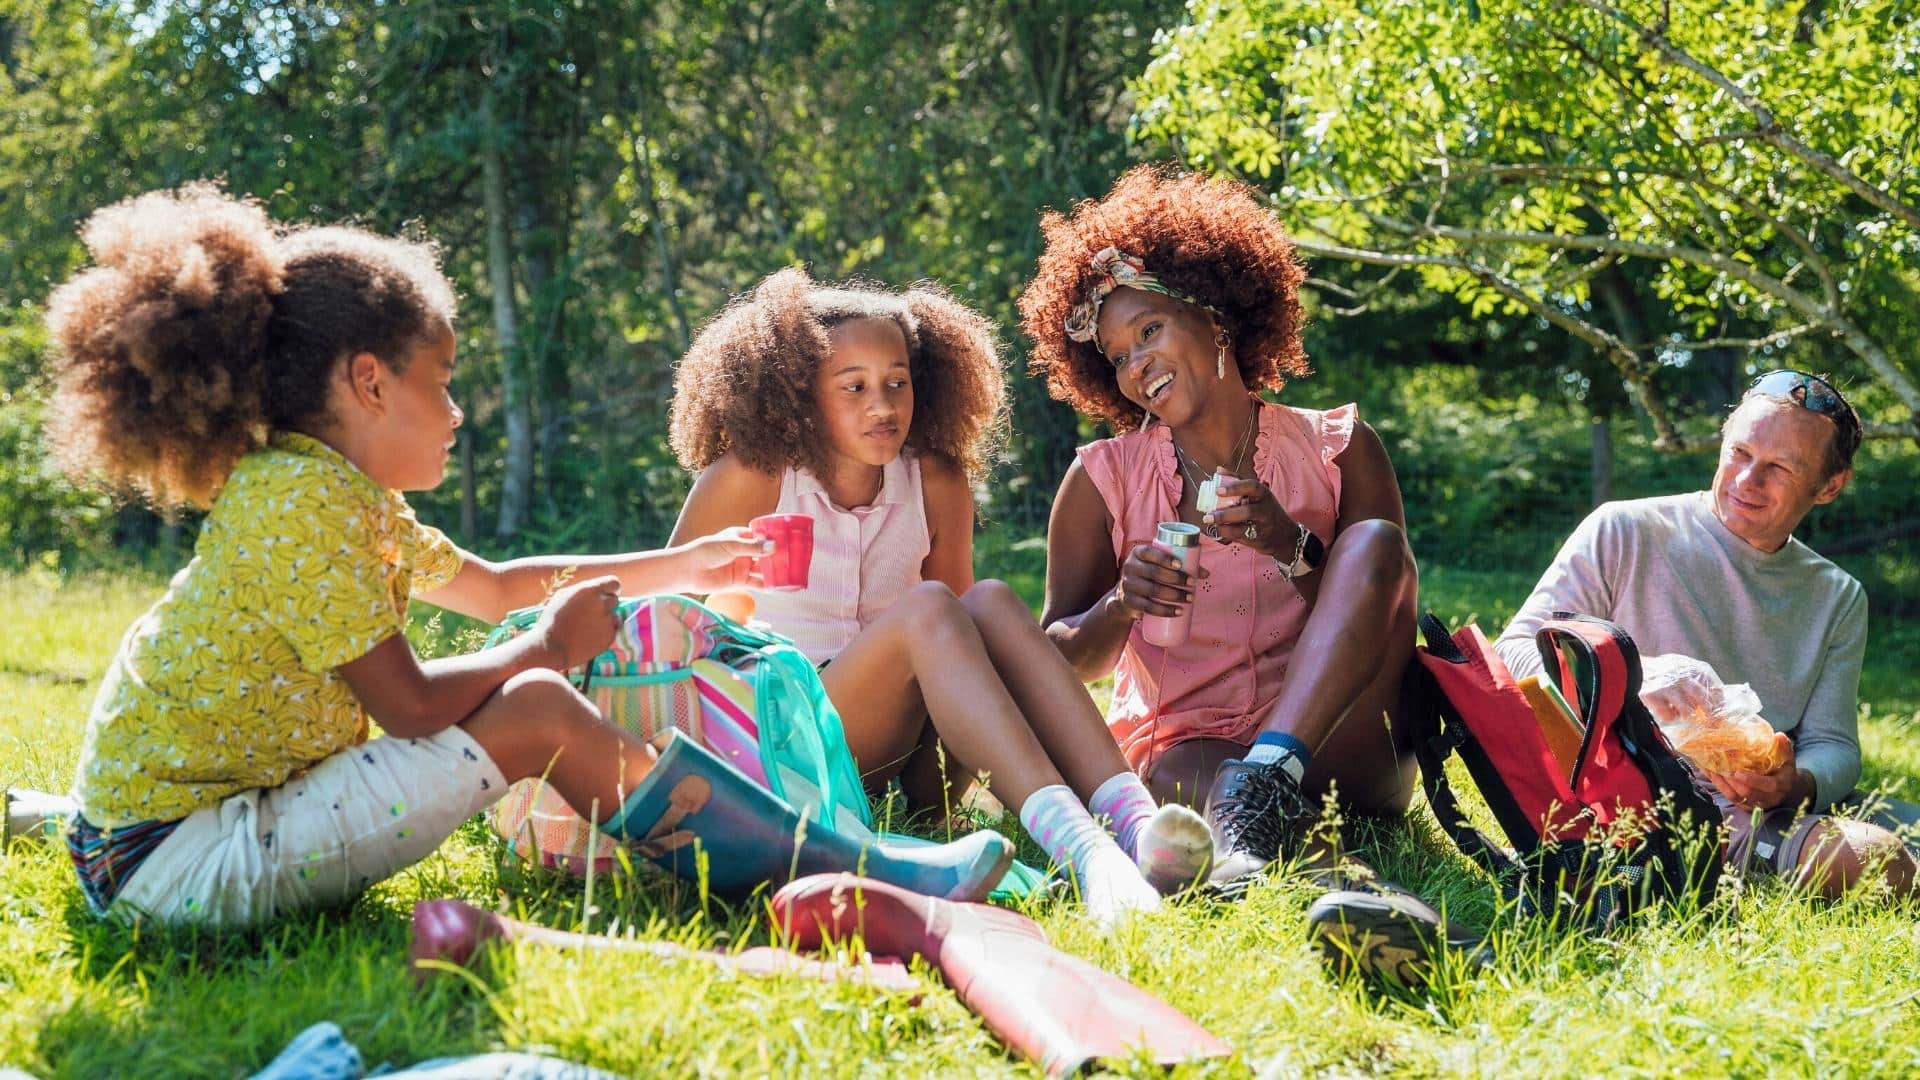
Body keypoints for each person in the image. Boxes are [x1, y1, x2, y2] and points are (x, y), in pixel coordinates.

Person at [45, 185, 992, 928]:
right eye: (444, 383)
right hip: (168, 864)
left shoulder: (330, 493)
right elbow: (410, 703)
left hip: (170, 838)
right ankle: (831, 869)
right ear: (369, 383)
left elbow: (498, 584)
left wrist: (689, 565)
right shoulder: (301, 506)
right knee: (536, 703)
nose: (458, 414)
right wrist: (543, 647)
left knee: (535, 697)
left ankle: (798, 855)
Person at [666, 267, 1213, 923]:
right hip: (786, 756)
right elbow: (664, 624)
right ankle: (1086, 852)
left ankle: (1135, 823)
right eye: (855, 387)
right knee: (932, 608)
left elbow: (962, 634)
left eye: (898, 383)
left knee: (985, 601)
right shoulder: (751, 479)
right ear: (800, 395)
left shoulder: (934, 479)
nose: (884, 405)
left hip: (908, 759)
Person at [1021, 166, 1423, 885]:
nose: (1137, 366)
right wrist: (1122, 606)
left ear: (1215, 319)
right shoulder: (1100, 481)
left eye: (1149, 331)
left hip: (1345, 745)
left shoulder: (1338, 448)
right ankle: (1325, 873)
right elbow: (1058, 660)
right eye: (1117, 357)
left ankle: (1264, 787)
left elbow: (1386, 613)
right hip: (1198, 748)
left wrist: (1289, 545)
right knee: (1184, 770)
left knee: (1374, 544)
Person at [1495, 370, 1915, 900]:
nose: (1746, 481)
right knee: (1882, 864)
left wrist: (1795, 784)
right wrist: (1629, 680)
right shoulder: (1625, 530)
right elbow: (1513, 652)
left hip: (1768, 802)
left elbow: (1833, 744)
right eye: (1739, 453)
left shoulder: (1837, 595)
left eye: (1779, 468)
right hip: (1648, 797)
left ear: (1830, 485)